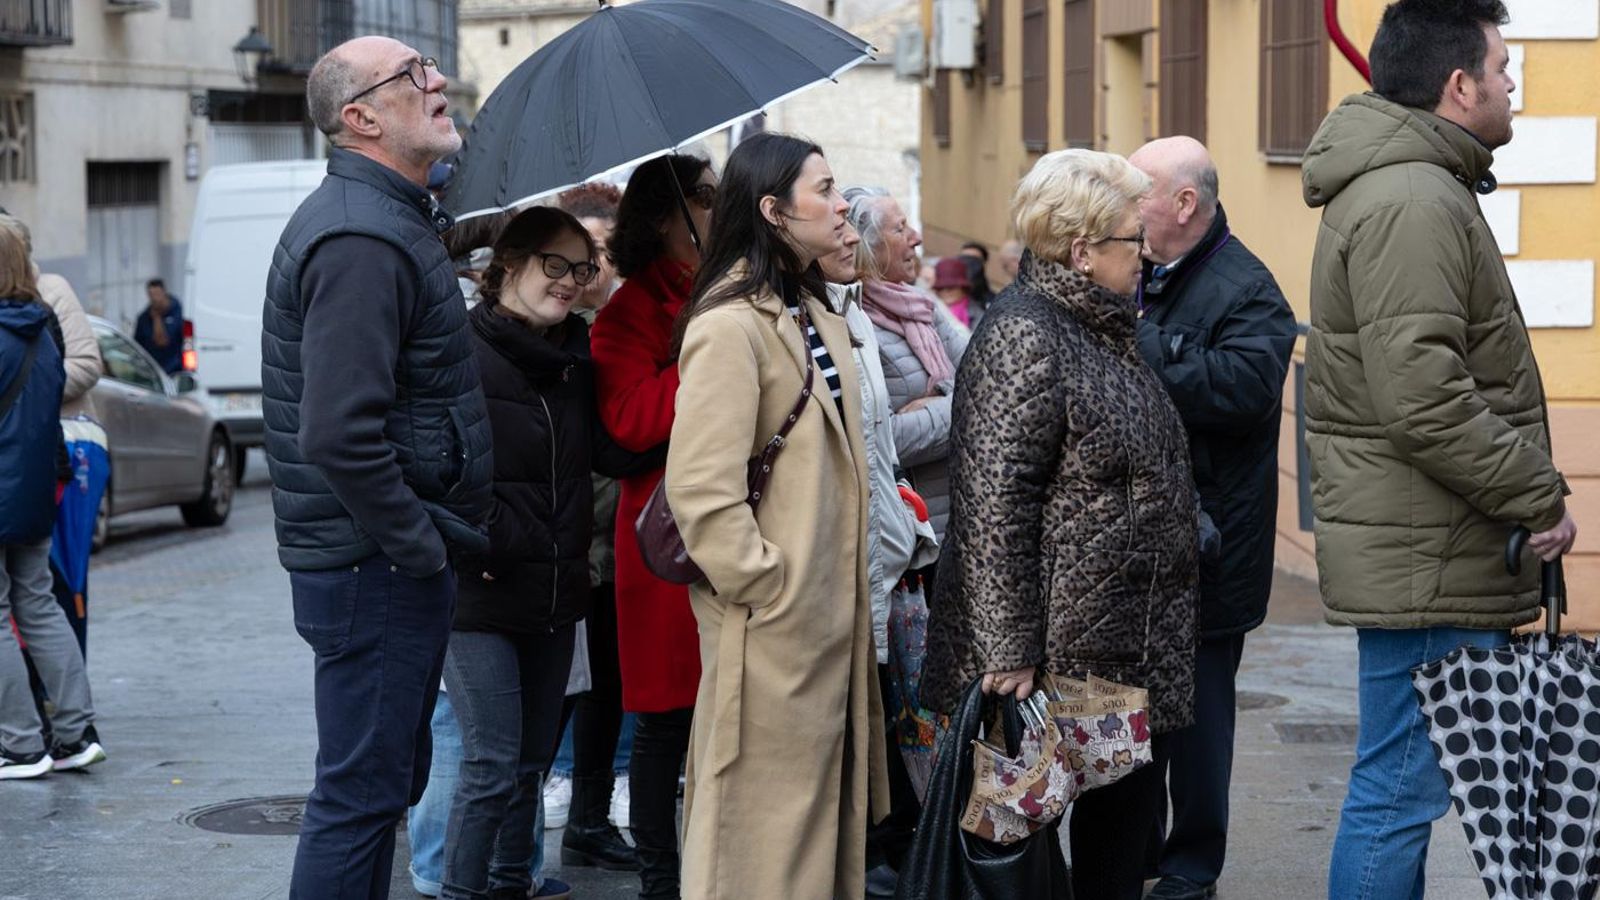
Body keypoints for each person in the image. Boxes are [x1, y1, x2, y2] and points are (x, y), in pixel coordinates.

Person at [1301, 3, 1578, 898]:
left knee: (1397, 785)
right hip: (1430, 551)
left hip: (1427, 542)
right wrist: (1536, 493)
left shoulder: (1415, 184)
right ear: (1458, 86)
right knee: (1397, 792)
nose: (1512, 89)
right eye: (1503, 69)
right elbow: (1424, 400)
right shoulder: (1412, 197)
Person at [922, 149, 1200, 900]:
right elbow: (993, 502)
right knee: (1029, 847)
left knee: (1120, 843)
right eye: (1129, 241)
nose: (1143, 256)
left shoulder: (1099, 327)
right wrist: (1009, 648)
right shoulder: (1026, 334)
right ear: (1081, 251)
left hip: (1118, 645)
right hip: (1057, 661)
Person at [262, 36, 493, 899]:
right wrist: (420, 546)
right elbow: (337, 432)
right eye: (412, 75)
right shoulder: (361, 234)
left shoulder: (390, 217)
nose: (438, 80)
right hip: (376, 564)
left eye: (430, 66)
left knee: (377, 787)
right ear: (361, 119)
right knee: (360, 797)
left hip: (379, 561)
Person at [666, 132, 888, 900]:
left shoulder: (808, 307)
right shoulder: (730, 324)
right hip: (773, 631)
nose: (840, 202)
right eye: (823, 189)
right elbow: (701, 490)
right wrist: (771, 590)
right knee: (760, 843)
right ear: (773, 210)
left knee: (810, 835)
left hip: (825, 627)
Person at [439, 206, 660, 900]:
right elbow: (435, 470)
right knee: (491, 763)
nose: (569, 282)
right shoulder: (458, 351)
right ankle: (460, 892)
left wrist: (695, 387)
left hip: (558, 591)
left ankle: (511, 884)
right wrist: (487, 538)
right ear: (508, 265)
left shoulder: (574, 359)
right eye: (553, 265)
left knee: (532, 759)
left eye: (582, 268)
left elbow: (611, 450)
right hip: (480, 590)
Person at [1128, 136, 1297, 900]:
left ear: (1183, 205)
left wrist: (1144, 345)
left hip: (1211, 550)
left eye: (1138, 194)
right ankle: (1129, 855)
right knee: (1133, 721)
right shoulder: (1138, 271)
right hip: (1137, 548)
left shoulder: (1249, 289)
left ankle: (1191, 869)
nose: (1125, 210)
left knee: (1197, 723)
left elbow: (1242, 391)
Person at [588, 152, 716, 900]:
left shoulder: (718, 291)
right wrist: (705, 355)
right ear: (668, 215)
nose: (717, 206)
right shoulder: (630, 309)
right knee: (666, 724)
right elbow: (631, 424)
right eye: (705, 196)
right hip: (664, 539)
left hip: (729, 525)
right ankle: (660, 879)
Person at [823, 225, 939, 898]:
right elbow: (882, 430)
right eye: (897, 228)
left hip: (899, 551)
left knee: (897, 718)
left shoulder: (867, 315)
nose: (914, 236)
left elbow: (884, 443)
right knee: (862, 719)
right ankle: (866, 855)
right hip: (847, 563)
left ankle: (889, 851)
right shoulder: (820, 319)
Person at [544, 179, 638, 867]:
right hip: (565, 545)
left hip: (614, 544)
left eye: (605, 250)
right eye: (582, 253)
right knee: (556, 696)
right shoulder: (552, 338)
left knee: (606, 690)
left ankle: (589, 819)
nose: (595, 265)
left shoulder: (621, 330)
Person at [0, 226, 105, 780]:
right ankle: (74, 733)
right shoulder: (42, 331)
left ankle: (19, 745)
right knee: (39, 604)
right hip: (36, 490)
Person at [843, 186, 968, 543]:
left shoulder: (920, 304)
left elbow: (991, 387)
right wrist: (961, 405)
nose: (915, 238)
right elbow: (878, 440)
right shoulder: (850, 323)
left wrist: (936, 404)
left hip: (961, 518)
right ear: (868, 248)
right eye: (899, 229)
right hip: (912, 534)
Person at [133, 278, 184, 375]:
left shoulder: (177, 311)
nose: (155, 299)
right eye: (151, 295)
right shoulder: (144, 318)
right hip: (153, 371)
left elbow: (163, 341)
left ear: (164, 292)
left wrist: (157, 318)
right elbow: (137, 346)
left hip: (175, 369)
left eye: (157, 294)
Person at [929, 256, 977, 329]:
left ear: (963, 288)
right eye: (940, 288)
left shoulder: (976, 313)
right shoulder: (930, 309)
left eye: (950, 287)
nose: (945, 292)